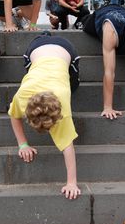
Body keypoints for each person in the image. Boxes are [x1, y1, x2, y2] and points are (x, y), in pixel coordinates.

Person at [8, 32, 81, 199]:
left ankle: (45, 35)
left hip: (64, 49)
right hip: (36, 49)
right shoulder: (22, 96)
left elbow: (67, 145)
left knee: (74, 84)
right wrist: (22, 144)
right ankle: (45, 35)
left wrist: (72, 182)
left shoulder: (64, 107)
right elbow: (14, 115)